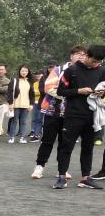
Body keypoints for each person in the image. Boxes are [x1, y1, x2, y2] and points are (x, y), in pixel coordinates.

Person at [52, 44, 105, 189]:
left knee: (88, 147)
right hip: (73, 115)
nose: (95, 64)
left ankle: (85, 178)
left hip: (92, 116)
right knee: (66, 146)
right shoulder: (72, 70)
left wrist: (102, 92)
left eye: (98, 62)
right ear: (86, 56)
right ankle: (61, 177)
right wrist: (78, 91)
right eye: (93, 61)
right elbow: (61, 91)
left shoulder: (101, 70)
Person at [31, 47, 85, 180]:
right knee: (47, 140)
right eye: (78, 54)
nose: (81, 56)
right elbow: (49, 87)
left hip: (71, 114)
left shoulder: (84, 72)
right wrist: (70, 94)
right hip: (52, 111)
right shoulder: (58, 70)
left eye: (84, 55)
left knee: (65, 143)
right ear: (71, 56)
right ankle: (39, 166)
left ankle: (62, 170)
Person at [7, 65, 35, 143]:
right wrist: (10, 103)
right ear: (19, 71)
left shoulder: (30, 81)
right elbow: (9, 92)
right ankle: (12, 137)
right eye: (22, 71)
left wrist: (31, 104)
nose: (24, 72)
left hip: (26, 106)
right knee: (14, 121)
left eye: (26, 71)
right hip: (15, 105)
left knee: (23, 122)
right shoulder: (14, 81)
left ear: (28, 72)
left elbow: (32, 95)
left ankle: (22, 138)